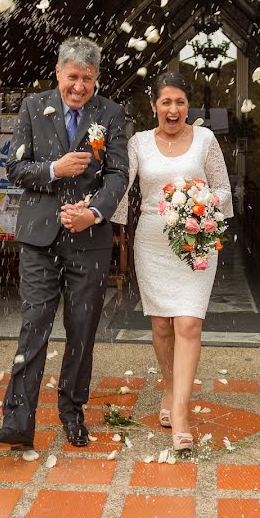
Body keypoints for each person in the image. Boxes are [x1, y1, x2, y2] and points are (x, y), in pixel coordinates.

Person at [0, 37, 128, 451]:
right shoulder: (31, 106)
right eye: (72, 77)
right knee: (33, 328)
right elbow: (15, 167)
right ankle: (18, 421)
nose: (79, 86)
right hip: (39, 239)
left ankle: (72, 412)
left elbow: (118, 174)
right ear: (59, 72)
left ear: (97, 79)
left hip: (89, 241)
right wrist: (54, 169)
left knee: (81, 330)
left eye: (88, 79)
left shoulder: (111, 113)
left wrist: (93, 212)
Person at [110, 72, 232, 453]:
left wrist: (200, 205)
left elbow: (224, 188)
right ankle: (169, 386)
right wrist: (101, 221)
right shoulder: (139, 143)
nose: (174, 109)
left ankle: (180, 414)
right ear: (154, 106)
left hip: (196, 240)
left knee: (189, 324)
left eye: (180, 102)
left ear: (188, 106)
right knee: (162, 326)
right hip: (153, 242)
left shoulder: (206, 140)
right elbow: (121, 186)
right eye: (166, 102)